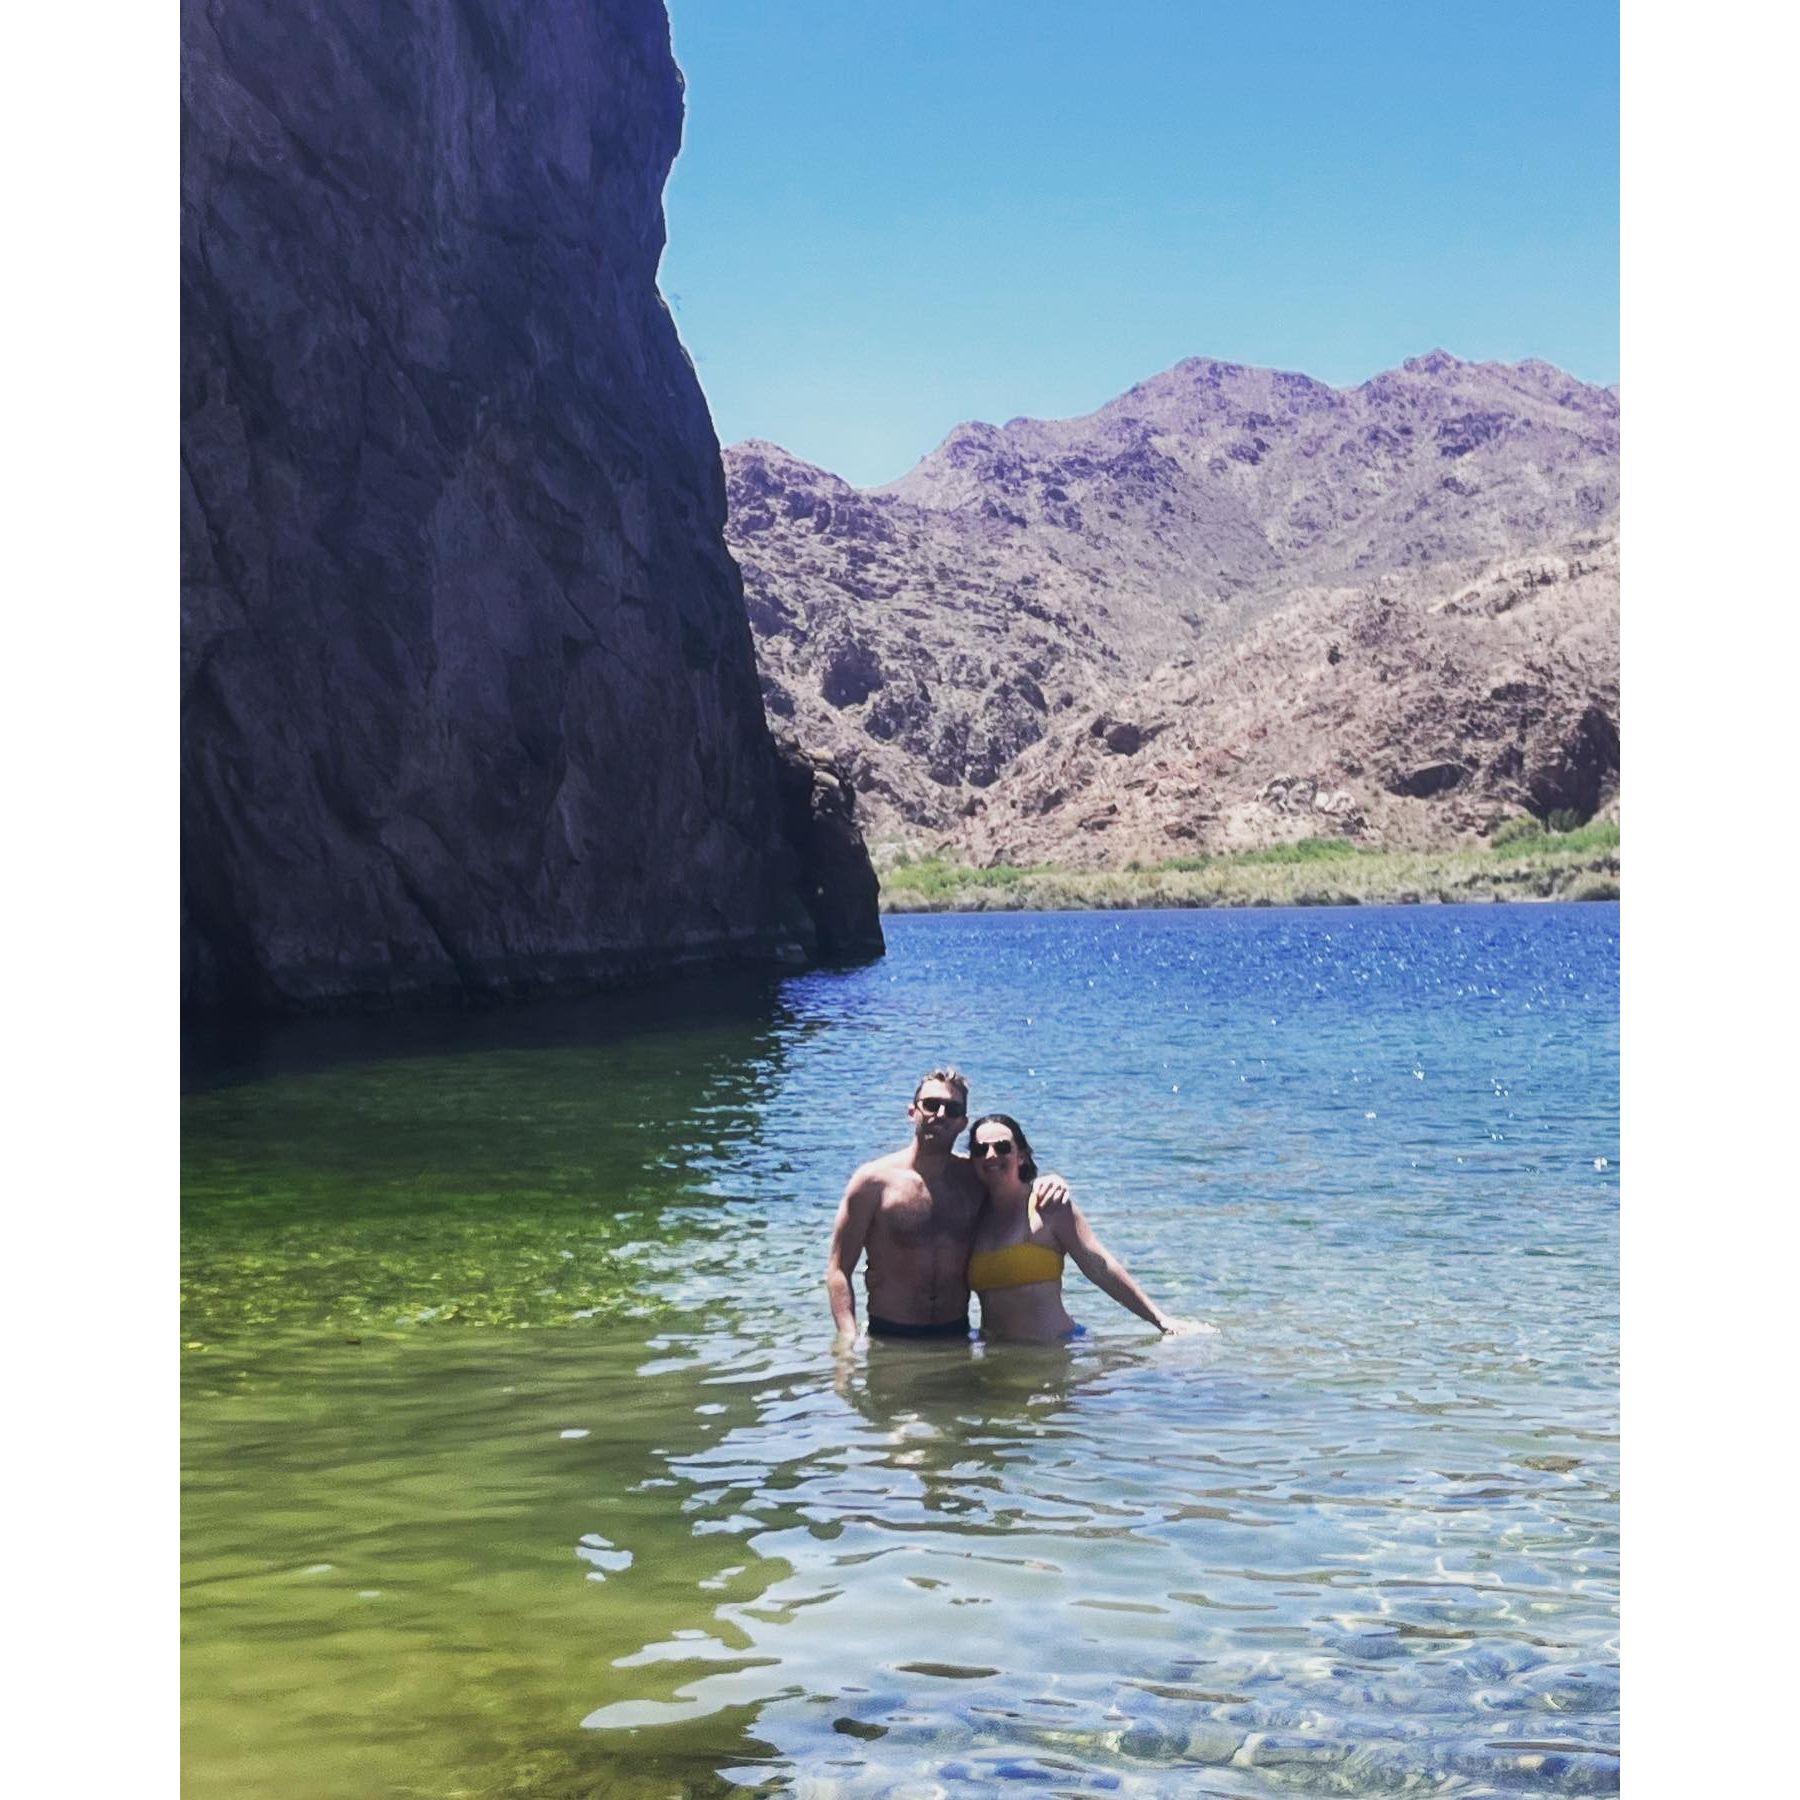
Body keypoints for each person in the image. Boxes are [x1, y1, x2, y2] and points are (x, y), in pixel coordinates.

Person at [826, 1069, 1069, 1344]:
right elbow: (838, 1270)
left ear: (962, 1122)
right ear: (912, 1112)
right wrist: (848, 1338)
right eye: (930, 1105)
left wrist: (1050, 1181)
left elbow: (1015, 1187)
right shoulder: (872, 1183)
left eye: (952, 1109)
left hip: (956, 1335)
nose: (940, 1114)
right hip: (892, 1336)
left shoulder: (974, 1178)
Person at [966, 1112, 1199, 1341]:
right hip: (998, 1358)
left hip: (1056, 1349)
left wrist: (1160, 1319)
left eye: (1003, 1147)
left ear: (1022, 1156)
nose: (991, 1155)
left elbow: (1099, 1266)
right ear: (972, 1159)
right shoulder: (972, 1215)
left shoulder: (1048, 1206)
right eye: (980, 1149)